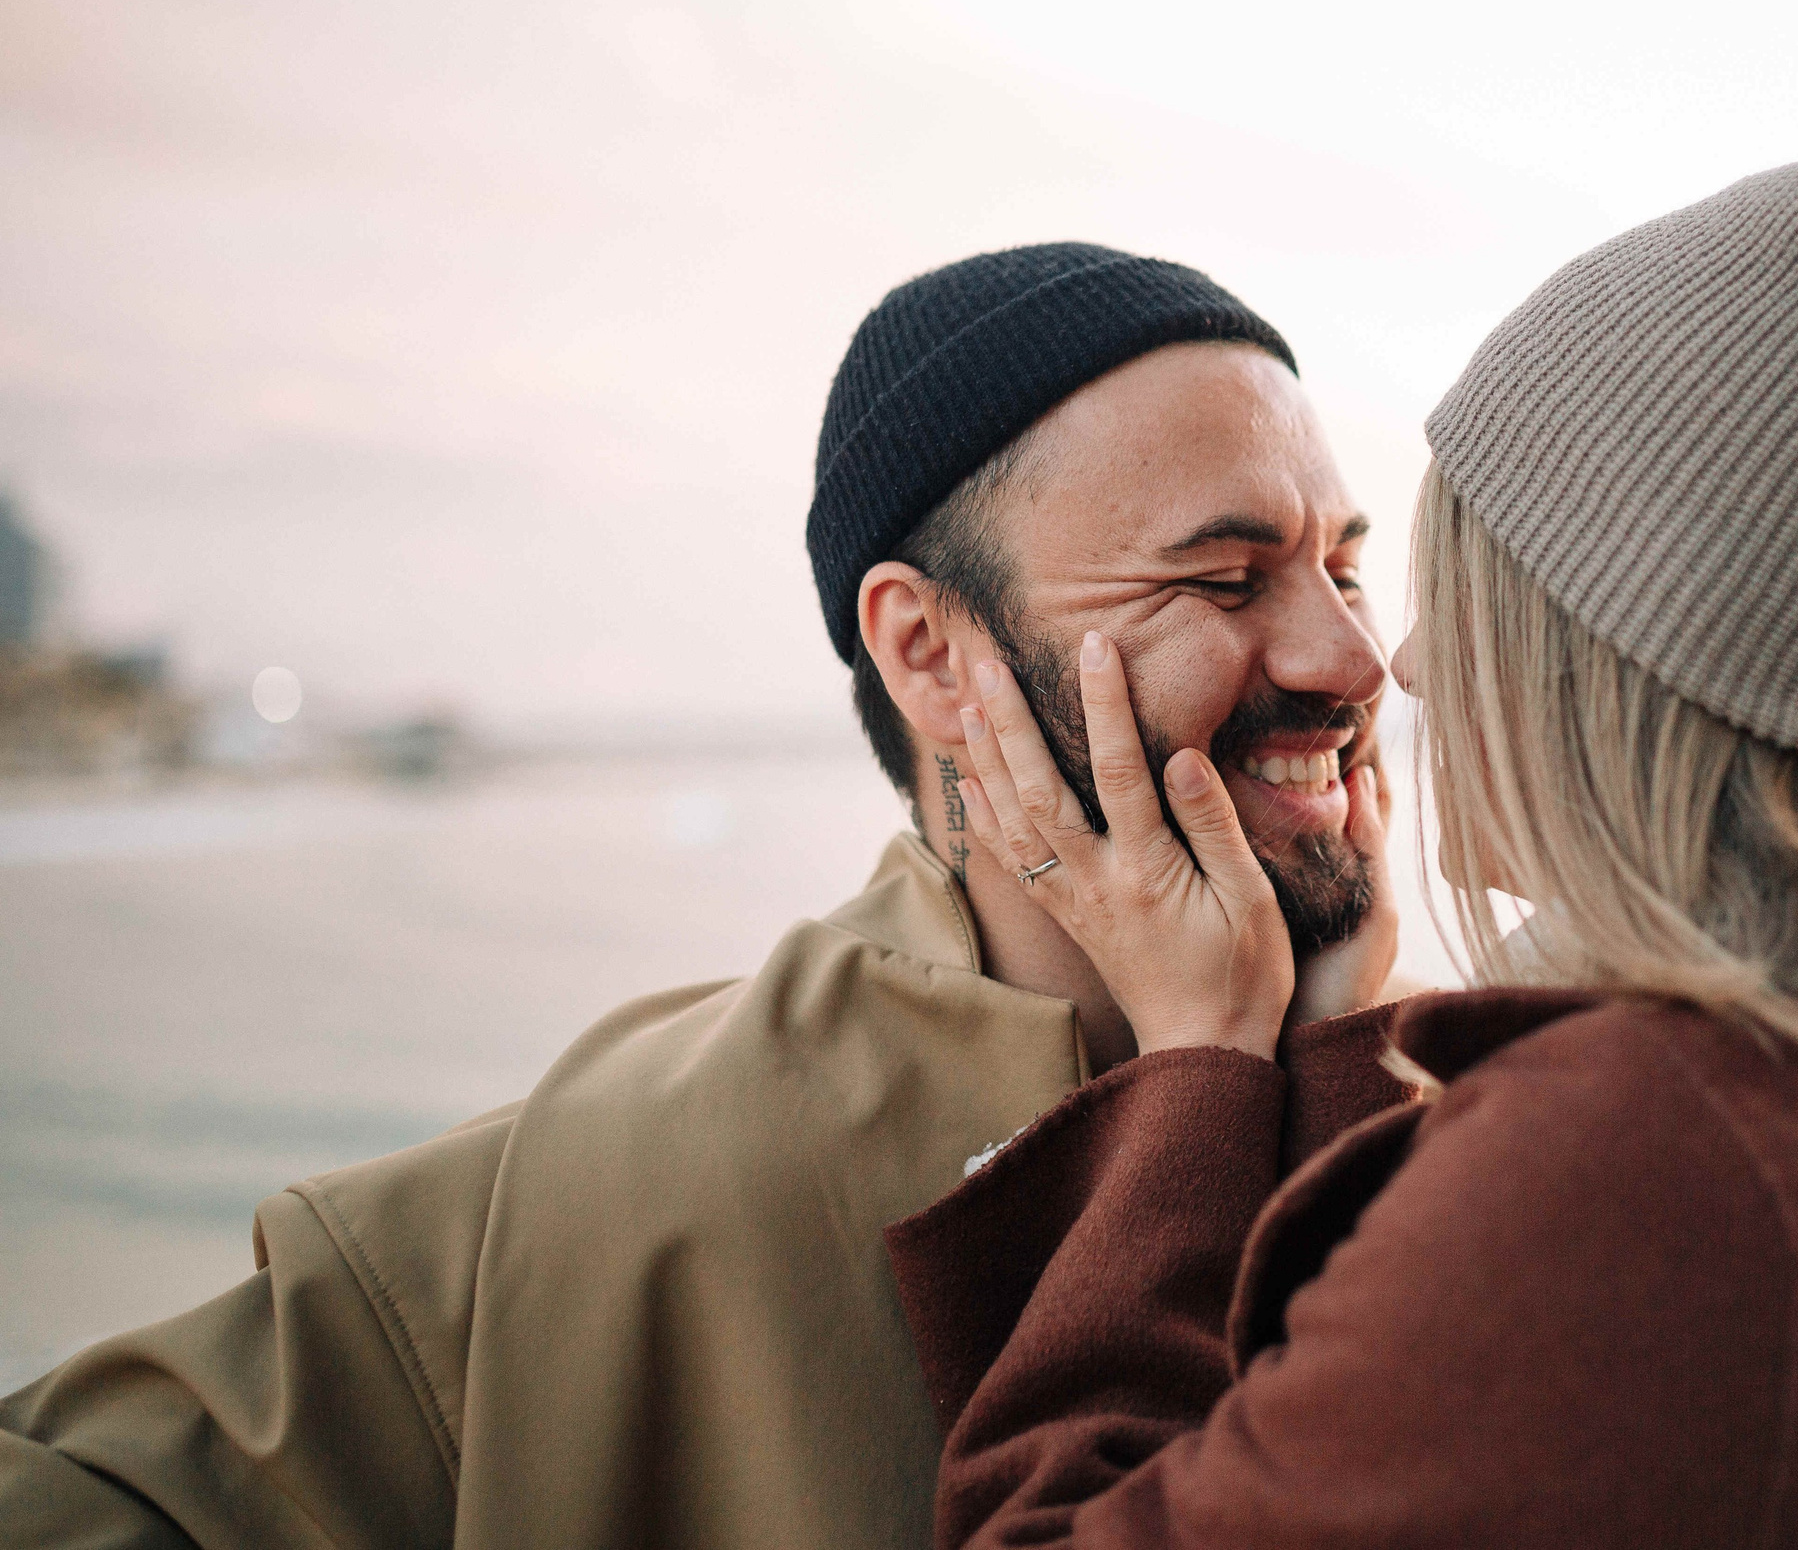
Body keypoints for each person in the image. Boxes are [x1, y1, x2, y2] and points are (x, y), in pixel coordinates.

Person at [888, 101, 1798, 1548]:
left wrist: (1197, 1061)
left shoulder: (1648, 1160)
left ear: (1624, 653)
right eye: (1230, 581)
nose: (1398, 663)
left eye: (1464, 589)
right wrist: (1331, 1041)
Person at [0, 245, 1417, 1549]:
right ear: (928, 653)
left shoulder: (1459, 1086)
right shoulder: (596, 1195)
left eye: (1344, 568)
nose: (1354, 660)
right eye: (1225, 580)